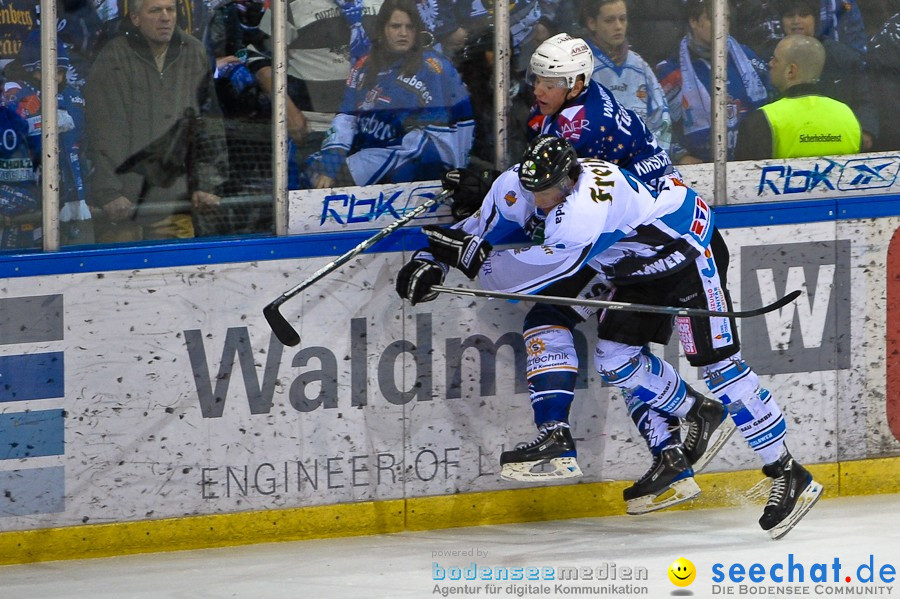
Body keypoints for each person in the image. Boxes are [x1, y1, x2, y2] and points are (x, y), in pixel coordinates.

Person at [399, 135, 824, 538]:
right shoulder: (522, 186)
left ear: (568, 181)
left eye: (545, 191)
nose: (536, 200)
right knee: (614, 359)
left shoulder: (585, 210)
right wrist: (430, 261)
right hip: (631, 268)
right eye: (532, 188)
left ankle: (788, 472)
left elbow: (529, 279)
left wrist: (472, 262)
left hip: (687, 253)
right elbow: (471, 230)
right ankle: (697, 411)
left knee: (718, 367)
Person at [445, 32, 736, 512]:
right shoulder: (570, 110)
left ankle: (573, 438)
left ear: (577, 82)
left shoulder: (584, 128)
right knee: (621, 353)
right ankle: (674, 454)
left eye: (550, 80)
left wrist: (489, 202)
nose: (539, 86)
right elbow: (546, 181)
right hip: (628, 239)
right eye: (537, 77)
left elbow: (555, 204)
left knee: (551, 319)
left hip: (634, 241)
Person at [84, 0, 227, 242]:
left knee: (181, 277)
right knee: (120, 277)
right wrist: (108, 192)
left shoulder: (194, 51)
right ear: (136, 18)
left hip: (176, 205)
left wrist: (207, 183)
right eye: (155, 10)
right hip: (122, 207)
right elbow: (101, 128)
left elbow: (209, 123)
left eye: (170, 10)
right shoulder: (114, 55)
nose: (165, 17)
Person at [304, 0, 474, 188]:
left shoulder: (432, 68)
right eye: (395, 26)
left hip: (421, 165)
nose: (403, 33)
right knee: (313, 169)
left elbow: (436, 141)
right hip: (374, 152)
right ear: (382, 29)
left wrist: (354, 169)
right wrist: (332, 163)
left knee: (348, 176)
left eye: (409, 27)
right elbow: (346, 117)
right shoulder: (364, 65)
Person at [526, 33, 675, 190]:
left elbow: (569, 191)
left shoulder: (587, 126)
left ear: (575, 88)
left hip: (651, 183)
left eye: (549, 86)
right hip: (620, 176)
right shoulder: (574, 94)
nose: (537, 91)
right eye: (537, 80)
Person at [244, 0, 382, 162]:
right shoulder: (288, 4)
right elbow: (259, 58)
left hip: (374, 126)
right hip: (314, 128)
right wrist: (287, 111)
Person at [1, 31, 94, 247]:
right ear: (30, 68)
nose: (55, 77)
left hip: (71, 208)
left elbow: (86, 148)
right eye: (45, 69)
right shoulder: (11, 96)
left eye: (60, 71)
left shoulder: (75, 98)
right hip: (19, 210)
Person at [656, 0, 771, 164]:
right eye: (715, 18)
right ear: (694, 22)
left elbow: (772, 101)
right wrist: (680, 156)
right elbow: (660, 122)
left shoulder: (748, 59)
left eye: (727, 18)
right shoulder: (672, 70)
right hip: (700, 169)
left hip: (749, 163)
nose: (723, 24)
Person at [766, 0, 877, 150]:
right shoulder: (771, 59)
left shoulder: (841, 56)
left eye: (804, 15)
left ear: (815, 20)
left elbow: (865, 99)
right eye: (790, 16)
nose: (796, 21)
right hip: (789, 146)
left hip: (839, 141)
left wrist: (866, 130)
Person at [735, 35, 860, 160]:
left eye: (775, 59)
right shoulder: (847, 115)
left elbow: (746, 175)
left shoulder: (762, 120)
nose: (770, 64)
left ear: (791, 71)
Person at [578, 0, 673, 152]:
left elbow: (662, 118)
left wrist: (652, 155)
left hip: (642, 163)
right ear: (591, 23)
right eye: (609, 20)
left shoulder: (639, 65)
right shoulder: (579, 66)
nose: (618, 26)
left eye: (622, 19)